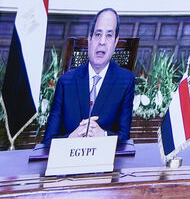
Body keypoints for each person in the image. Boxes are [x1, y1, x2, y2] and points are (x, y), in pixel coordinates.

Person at [42, 8, 134, 146]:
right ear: (89, 39)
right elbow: (48, 141)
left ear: (115, 42)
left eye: (109, 35)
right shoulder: (66, 83)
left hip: (104, 165)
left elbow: (124, 138)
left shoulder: (125, 81)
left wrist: (103, 135)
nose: (102, 41)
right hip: (68, 163)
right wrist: (69, 139)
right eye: (98, 34)